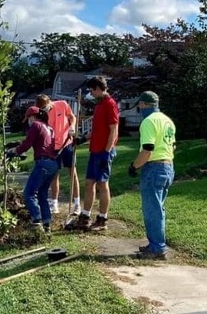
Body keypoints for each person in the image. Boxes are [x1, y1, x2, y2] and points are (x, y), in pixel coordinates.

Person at [127, 91, 176, 259]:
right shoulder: (167, 120)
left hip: (154, 168)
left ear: (143, 104)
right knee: (158, 208)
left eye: (139, 105)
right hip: (168, 166)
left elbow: (148, 149)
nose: (139, 108)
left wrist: (134, 166)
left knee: (152, 210)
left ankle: (157, 248)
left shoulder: (148, 122)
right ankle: (155, 243)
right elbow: (172, 146)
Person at [71, 75, 119, 232]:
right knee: (89, 183)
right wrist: (83, 138)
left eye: (92, 90)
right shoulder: (99, 105)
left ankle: (102, 219)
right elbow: (97, 129)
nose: (90, 93)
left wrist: (107, 151)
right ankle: (85, 217)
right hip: (94, 150)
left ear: (98, 89)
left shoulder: (110, 104)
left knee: (102, 184)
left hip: (104, 151)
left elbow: (114, 130)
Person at [6, 106, 58, 234]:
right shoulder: (49, 127)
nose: (28, 121)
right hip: (53, 164)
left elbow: (28, 144)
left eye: (28, 118)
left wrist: (15, 151)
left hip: (42, 163)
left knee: (29, 193)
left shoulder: (35, 125)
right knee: (42, 195)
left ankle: (37, 221)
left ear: (32, 116)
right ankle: (47, 225)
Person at [34, 94, 78, 215]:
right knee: (54, 176)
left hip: (67, 143)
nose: (44, 110)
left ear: (50, 102)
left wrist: (72, 126)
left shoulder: (62, 104)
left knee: (72, 173)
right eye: (41, 108)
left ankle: (77, 204)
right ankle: (55, 204)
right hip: (52, 147)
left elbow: (72, 117)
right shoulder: (41, 114)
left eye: (45, 107)